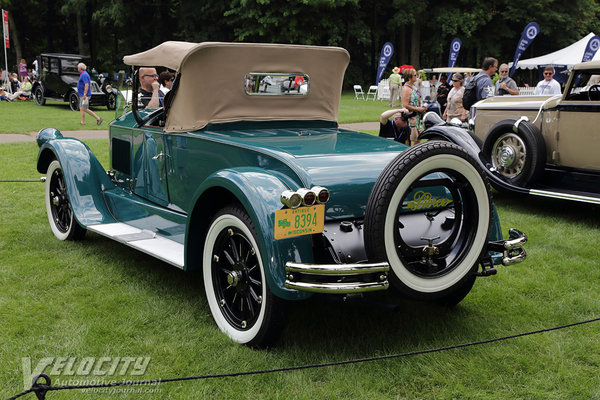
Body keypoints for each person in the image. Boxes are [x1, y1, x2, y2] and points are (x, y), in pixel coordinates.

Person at [401, 68, 427, 146]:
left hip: (417, 116)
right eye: (415, 75)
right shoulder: (406, 88)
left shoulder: (413, 86)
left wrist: (422, 107)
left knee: (419, 138)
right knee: (411, 138)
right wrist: (417, 109)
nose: (417, 77)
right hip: (411, 117)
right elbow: (405, 105)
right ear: (409, 77)